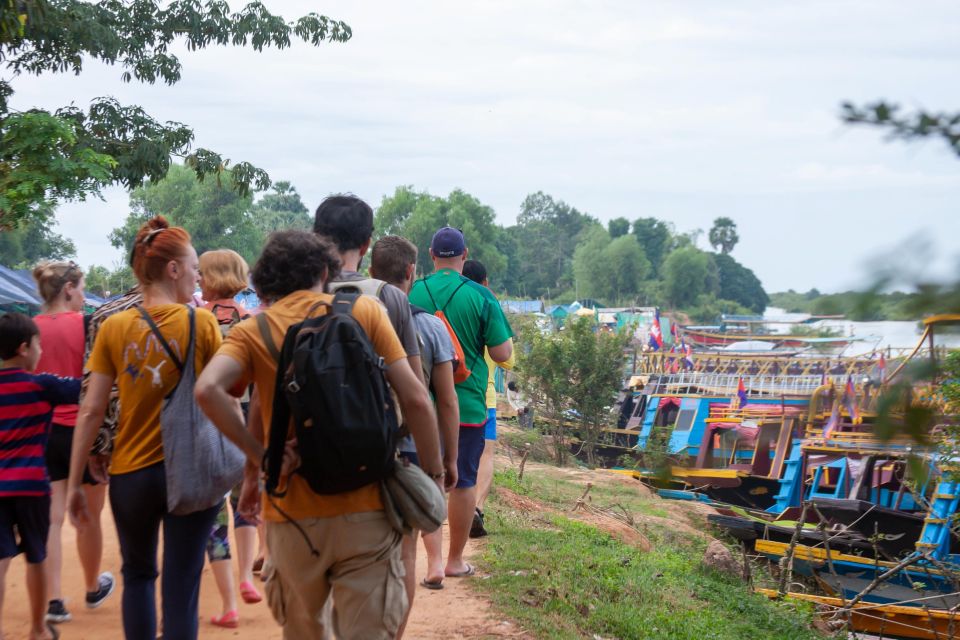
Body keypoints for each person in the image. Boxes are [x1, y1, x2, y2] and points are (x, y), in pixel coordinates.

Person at [195, 230, 444, 640]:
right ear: (325, 271)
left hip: (293, 515)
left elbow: (210, 390)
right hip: (368, 504)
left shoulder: (253, 331)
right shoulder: (364, 312)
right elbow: (416, 399)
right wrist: (433, 473)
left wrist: (260, 459)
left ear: (267, 280)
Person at [67, 216, 223, 640]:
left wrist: (74, 484)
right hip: (190, 471)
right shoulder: (202, 323)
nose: (197, 277)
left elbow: (91, 408)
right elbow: (224, 394)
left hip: (131, 473)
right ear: (172, 270)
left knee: (137, 574)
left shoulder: (113, 326)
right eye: (193, 268)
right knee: (182, 582)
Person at [409, 227, 513, 579]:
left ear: (431, 254)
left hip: (416, 402)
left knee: (427, 479)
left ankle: (433, 562)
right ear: (464, 254)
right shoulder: (481, 296)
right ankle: (455, 560)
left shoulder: (413, 291)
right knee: (464, 481)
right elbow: (503, 352)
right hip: (466, 405)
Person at [369, 236, 459, 616]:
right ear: (411, 273)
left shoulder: (348, 313)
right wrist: (446, 459)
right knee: (405, 549)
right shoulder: (431, 327)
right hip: (409, 447)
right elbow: (445, 400)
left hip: (360, 444)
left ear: (371, 272)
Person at [30, 262, 115, 624]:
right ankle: (92, 587)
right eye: (80, 287)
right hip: (84, 431)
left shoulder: (28, 327)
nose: (83, 294)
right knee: (89, 518)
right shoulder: (86, 325)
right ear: (67, 288)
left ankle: (54, 601)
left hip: (44, 431)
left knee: (51, 520)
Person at [0, 312, 79, 640]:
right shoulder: (42, 385)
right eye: (37, 346)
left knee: (0, 555)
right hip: (32, 485)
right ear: (23, 348)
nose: (40, 352)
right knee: (36, 554)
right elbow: (84, 388)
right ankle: (37, 629)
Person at [198, 249, 260, 629]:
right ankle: (247, 577)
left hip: (208, 423)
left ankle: (228, 605)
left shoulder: (196, 322)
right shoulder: (252, 322)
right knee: (245, 502)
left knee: (214, 514)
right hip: (248, 420)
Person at [313, 194, 426, 387]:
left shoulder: (299, 294)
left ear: (316, 238)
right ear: (366, 245)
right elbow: (415, 386)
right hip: (375, 415)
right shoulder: (391, 296)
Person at [461, 260, 514, 539]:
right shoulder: (488, 303)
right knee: (485, 453)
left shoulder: (451, 302)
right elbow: (507, 359)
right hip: (485, 395)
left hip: (450, 391)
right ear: (486, 281)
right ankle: (477, 508)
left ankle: (450, 510)